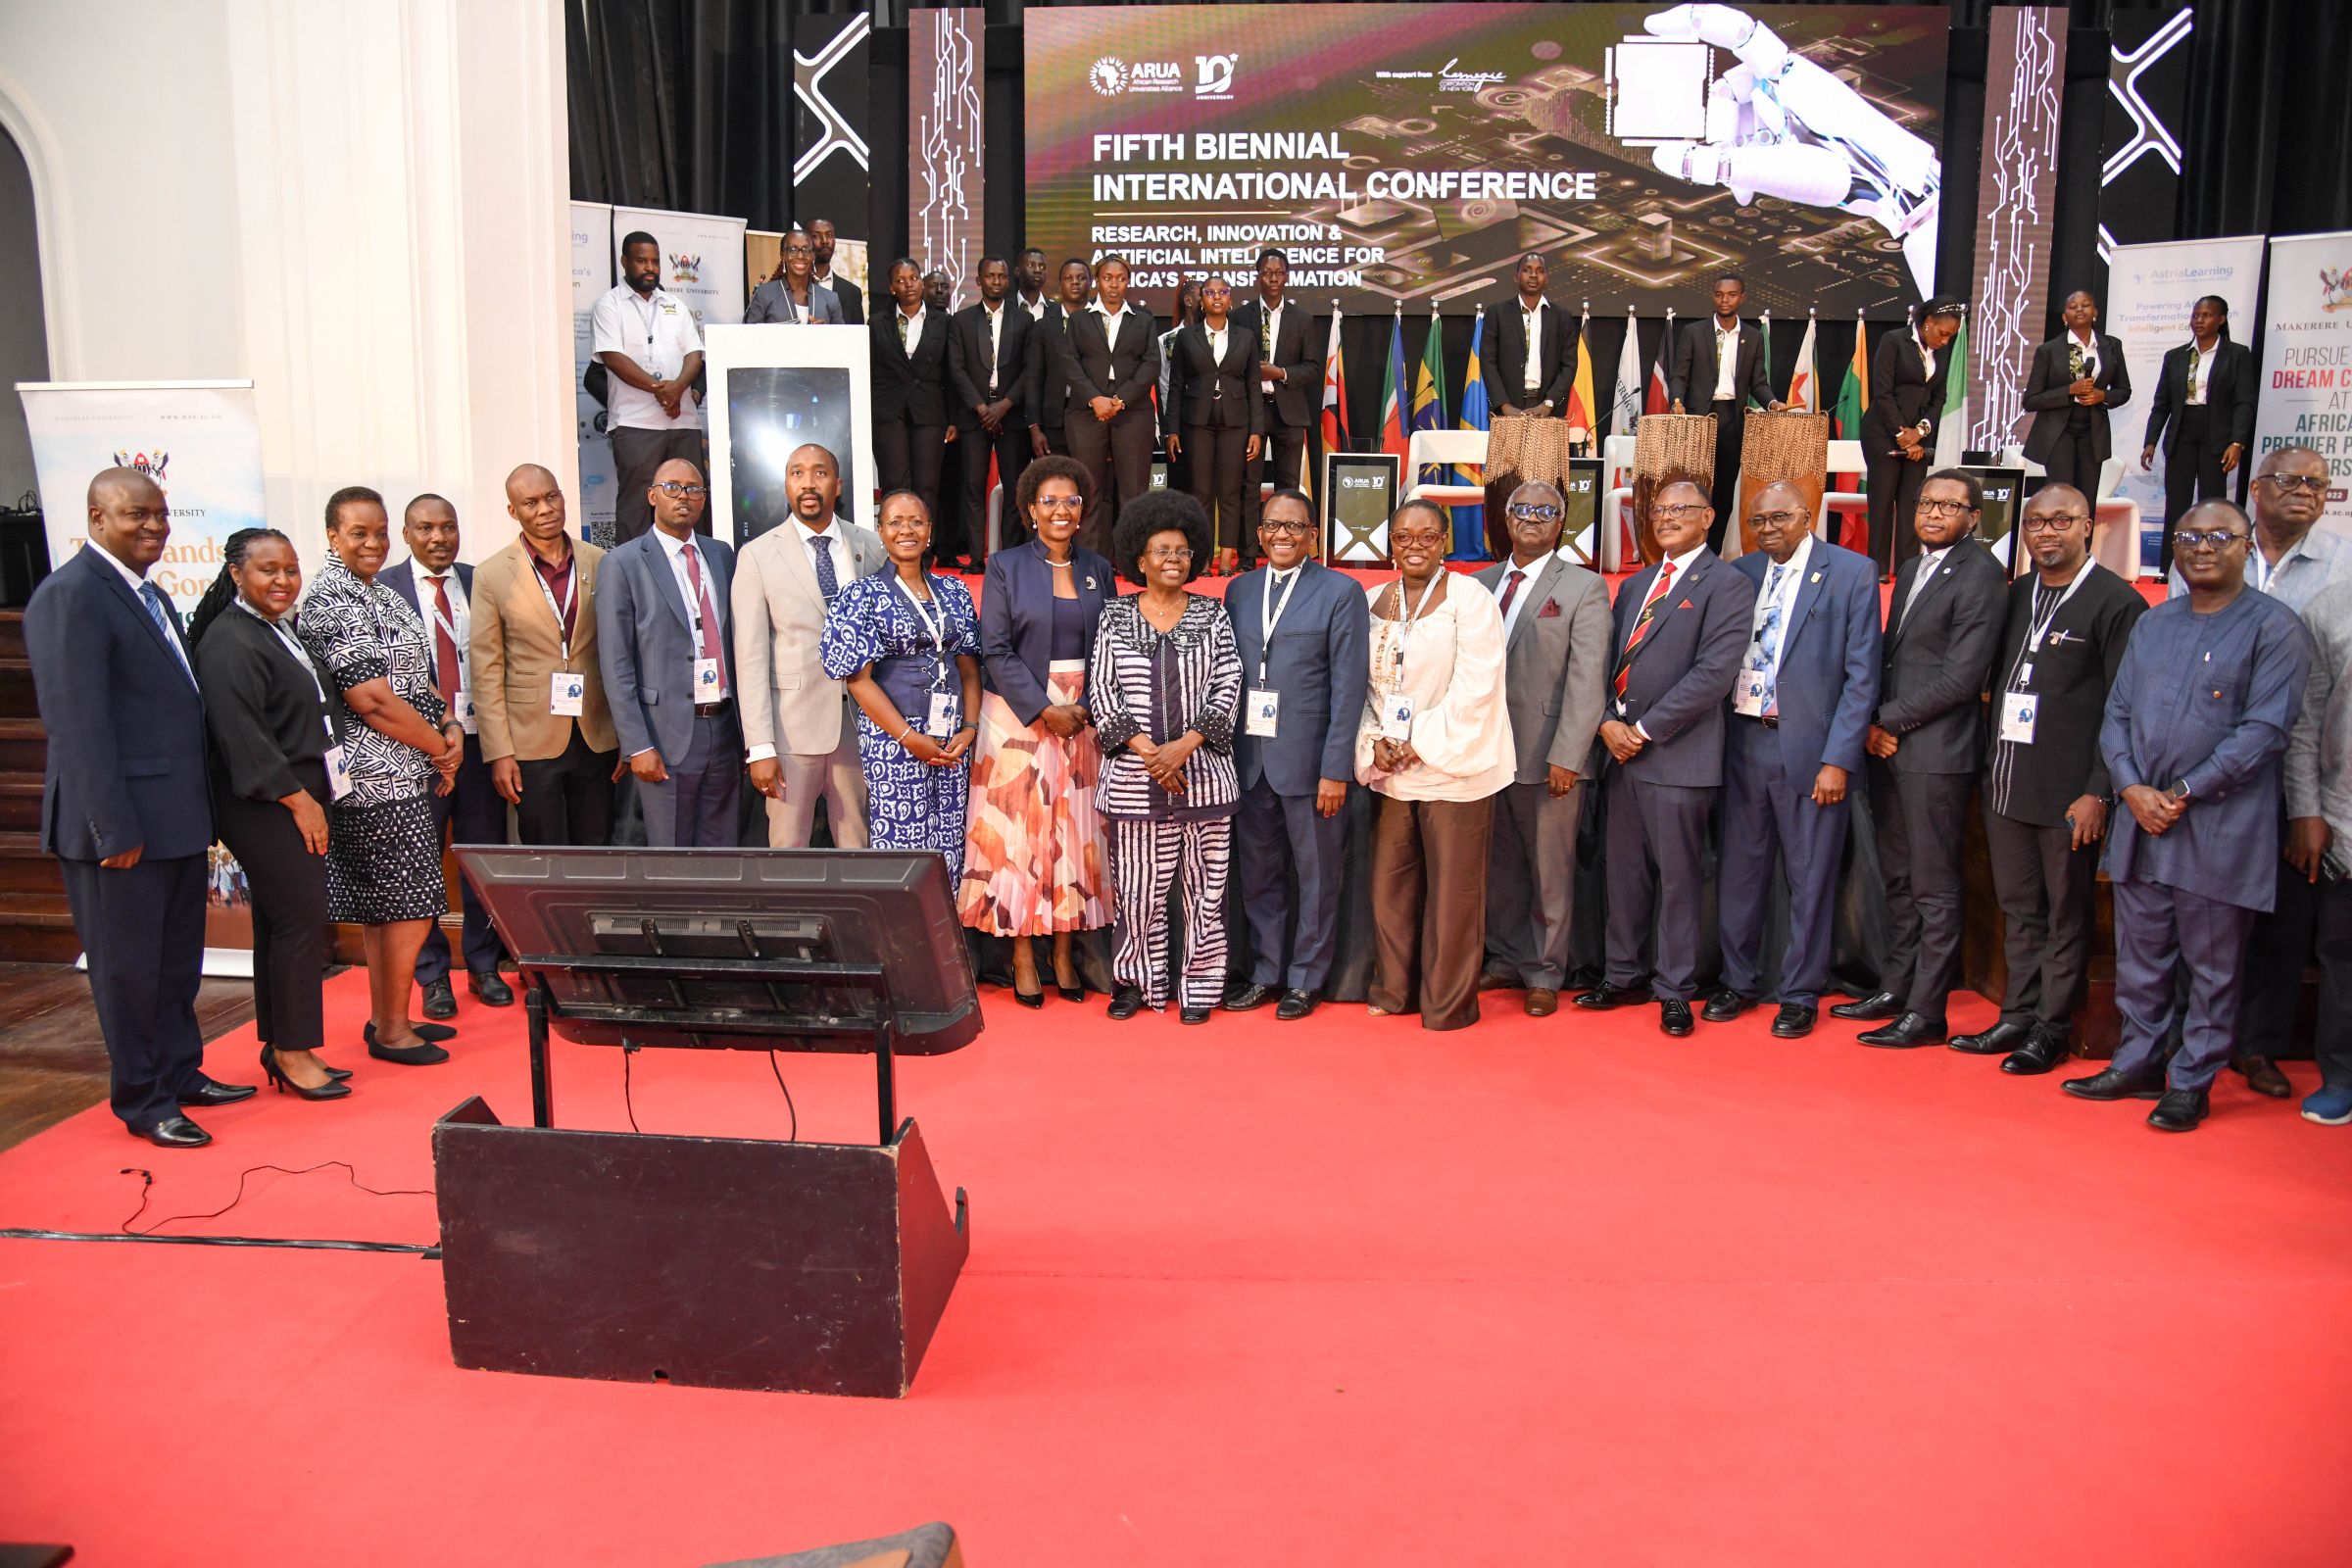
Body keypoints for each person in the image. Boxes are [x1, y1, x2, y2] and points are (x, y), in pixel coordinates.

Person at [2065, 500, 2311, 1131]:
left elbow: (2264, 732)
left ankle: (2193, 1079)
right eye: (2189, 536)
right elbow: (2116, 714)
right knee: (2140, 958)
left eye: (2219, 537)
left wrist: (2180, 793)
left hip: (2217, 829)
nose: (2203, 547)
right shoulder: (2154, 623)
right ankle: (2138, 1061)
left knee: (2212, 967)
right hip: (2143, 824)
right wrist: (2130, 788)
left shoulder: (2274, 627)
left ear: (2245, 543)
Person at [24, 468, 251, 1147]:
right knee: (129, 972)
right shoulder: (70, 597)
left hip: (175, 818)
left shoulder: (146, 594)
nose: (154, 526)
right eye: (135, 516)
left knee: (177, 961)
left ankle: (182, 1074)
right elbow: (78, 727)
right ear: (96, 517)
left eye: (159, 514)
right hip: (118, 826)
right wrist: (109, 828)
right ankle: (145, 1100)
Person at [2167, 444, 2346, 1098]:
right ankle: (2188, 1036)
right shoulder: (2212, 543)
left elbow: (2319, 698)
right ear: (2258, 488)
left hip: (2286, 766)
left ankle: (2260, 1044)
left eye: (2318, 485)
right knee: (2197, 911)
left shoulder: (2341, 566)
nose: (2306, 493)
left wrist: (2307, 806)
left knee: (2281, 914)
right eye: (2292, 481)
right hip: (2204, 769)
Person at [1949, 484, 2146, 1072]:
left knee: (2066, 913)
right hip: (2007, 784)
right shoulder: (2017, 595)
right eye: (2035, 522)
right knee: (2019, 906)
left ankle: (2052, 1027)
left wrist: (2098, 791)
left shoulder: (2118, 604)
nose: (2046, 532)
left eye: (2061, 520)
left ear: (2089, 526)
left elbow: (2124, 707)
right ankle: (2018, 1012)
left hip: (2070, 794)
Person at [1836, 470, 2008, 1047]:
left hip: (1937, 755)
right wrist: (1875, 724)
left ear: (1974, 518)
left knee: (1934, 887)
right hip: (1892, 750)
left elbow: (1962, 678)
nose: (1934, 514)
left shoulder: (1982, 575)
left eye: (1949, 506)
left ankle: (1928, 1011)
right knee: (1900, 878)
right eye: (1926, 502)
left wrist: (1884, 720)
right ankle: (1897, 985)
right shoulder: (1911, 567)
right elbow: (1892, 659)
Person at [1576, 480, 1754, 1036]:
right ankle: (1622, 972)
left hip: (1678, 755)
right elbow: (1604, 664)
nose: (1667, 518)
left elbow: (1714, 674)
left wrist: (1644, 730)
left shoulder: (1728, 584)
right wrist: (1607, 721)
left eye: (1681, 509)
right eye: (1659, 510)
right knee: (1623, 873)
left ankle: (1674, 988)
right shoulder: (1634, 585)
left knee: (1678, 879)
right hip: (1620, 755)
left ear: (1709, 517)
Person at [299, 487, 467, 1068]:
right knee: (408, 906)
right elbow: (369, 699)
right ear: (331, 536)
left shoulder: (385, 597)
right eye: (357, 534)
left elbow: (417, 682)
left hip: (409, 769)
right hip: (371, 780)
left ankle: (388, 1018)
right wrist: (440, 751)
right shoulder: (329, 600)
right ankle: (394, 1032)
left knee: (392, 905)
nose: (372, 544)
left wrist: (448, 723)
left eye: (378, 533)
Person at [1707, 481, 1880, 1038]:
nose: (1769, 529)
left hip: (1809, 749)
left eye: (1781, 517)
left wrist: (1839, 760)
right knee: (1740, 871)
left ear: (1809, 515)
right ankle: (1738, 981)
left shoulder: (1852, 572)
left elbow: (1862, 679)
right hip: (1742, 741)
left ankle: (1800, 993)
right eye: (1759, 521)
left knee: (1810, 877)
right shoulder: (1743, 573)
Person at [187, 528, 350, 1101]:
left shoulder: (274, 629)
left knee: (279, 924)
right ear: (236, 574)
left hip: (296, 793)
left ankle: (282, 1041)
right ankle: (293, 1051)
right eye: (267, 571)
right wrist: (300, 801)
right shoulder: (230, 642)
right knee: (300, 925)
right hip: (270, 803)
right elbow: (244, 740)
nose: (282, 581)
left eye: (290, 569)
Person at [961, 456, 1117, 1004]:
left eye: (1070, 501)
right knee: (1021, 839)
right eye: (1049, 500)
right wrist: (1043, 708)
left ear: (1082, 509)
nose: (1060, 509)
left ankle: (1063, 953)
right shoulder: (1004, 567)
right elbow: (994, 649)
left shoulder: (1099, 566)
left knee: (1074, 837)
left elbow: (1112, 649)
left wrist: (1086, 708)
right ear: (1030, 509)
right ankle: (1024, 955)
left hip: (1083, 720)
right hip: (1018, 718)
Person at [1354, 500, 1514, 1030]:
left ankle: (1448, 1005)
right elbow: (1369, 689)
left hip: (1454, 766)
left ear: (1445, 540)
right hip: (1394, 770)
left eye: (1426, 536)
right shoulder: (1376, 599)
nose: (1414, 545)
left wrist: (1418, 743)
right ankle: (1394, 991)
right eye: (1403, 536)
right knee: (1390, 889)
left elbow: (1477, 687)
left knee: (1453, 896)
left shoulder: (1471, 598)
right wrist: (1377, 740)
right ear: (1390, 543)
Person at [1091, 492, 1244, 1022]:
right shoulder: (1113, 617)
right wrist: (1151, 755)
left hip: (1205, 777)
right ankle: (1136, 984)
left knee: (1207, 893)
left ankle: (1200, 989)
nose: (1173, 560)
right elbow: (1102, 693)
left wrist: (1184, 746)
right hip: (1134, 779)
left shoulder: (1213, 615)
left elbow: (1228, 684)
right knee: (1137, 891)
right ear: (1140, 559)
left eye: (1182, 551)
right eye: (1162, 551)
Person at [1223, 489, 1368, 1021]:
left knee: (1317, 875)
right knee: (1259, 876)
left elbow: (1348, 687)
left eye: (1294, 527)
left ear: (1313, 534)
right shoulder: (1239, 590)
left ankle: (1306, 979)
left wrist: (1335, 770)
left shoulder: (1340, 591)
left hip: (1310, 767)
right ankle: (1266, 972)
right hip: (1250, 761)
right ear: (1259, 534)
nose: (1282, 536)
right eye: (1272, 526)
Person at [1473, 482, 1609, 1015]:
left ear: (1562, 522)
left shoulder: (1583, 587)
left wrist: (1568, 756)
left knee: (1549, 871)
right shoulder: (1478, 585)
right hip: (1486, 756)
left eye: (1546, 511)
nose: (1533, 518)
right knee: (1501, 866)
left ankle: (1546, 970)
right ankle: (1506, 958)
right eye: (1522, 510)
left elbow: (1587, 679)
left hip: (1549, 758)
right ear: (1506, 519)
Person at [381, 494, 511, 1018]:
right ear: (407, 534)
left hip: (481, 745)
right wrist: (432, 736)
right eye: (426, 528)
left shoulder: (482, 581)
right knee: (422, 866)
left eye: (448, 527)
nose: (439, 537)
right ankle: (432, 976)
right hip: (417, 751)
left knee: (481, 858)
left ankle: (483, 965)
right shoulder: (382, 590)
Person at [732, 442, 890, 847]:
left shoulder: (871, 547)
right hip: (790, 732)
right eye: (797, 473)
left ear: (837, 485)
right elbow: (749, 660)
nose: (808, 483)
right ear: (785, 486)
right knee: (788, 852)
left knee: (859, 845)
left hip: (861, 725)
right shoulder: (757, 556)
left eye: (819, 473)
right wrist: (760, 747)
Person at [819, 490, 982, 874]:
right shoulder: (860, 595)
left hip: (952, 742)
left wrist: (971, 727)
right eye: (895, 522)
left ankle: (946, 932)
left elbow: (969, 667)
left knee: (951, 845)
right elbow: (858, 682)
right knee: (905, 852)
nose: (906, 530)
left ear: (930, 531)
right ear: (880, 531)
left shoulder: (955, 591)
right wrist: (910, 738)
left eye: (916, 522)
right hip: (894, 742)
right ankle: (905, 935)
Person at [471, 464, 620, 846]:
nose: (545, 509)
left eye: (551, 497)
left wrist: (625, 737)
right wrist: (499, 753)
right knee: (545, 851)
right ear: (513, 511)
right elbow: (486, 671)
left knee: (597, 848)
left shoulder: (600, 562)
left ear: (563, 497)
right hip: (530, 742)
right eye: (531, 502)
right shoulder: (491, 575)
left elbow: (617, 654)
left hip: (595, 734)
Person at [598, 461, 742, 847]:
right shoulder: (623, 563)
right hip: (665, 734)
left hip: (725, 726)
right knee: (673, 853)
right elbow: (616, 664)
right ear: (651, 495)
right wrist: (637, 745)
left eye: (694, 489)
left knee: (723, 847)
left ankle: (717, 911)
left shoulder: (721, 555)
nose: (684, 497)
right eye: (673, 487)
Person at [2286, 571, 2352, 1125]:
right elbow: (2306, 722)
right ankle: (2341, 1076)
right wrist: (2307, 810)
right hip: (2345, 821)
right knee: (2342, 960)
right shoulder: (2335, 603)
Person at [593, 229, 706, 544]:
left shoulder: (675, 305)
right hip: (635, 424)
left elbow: (695, 355)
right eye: (642, 261)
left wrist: (678, 388)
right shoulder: (609, 306)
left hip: (682, 421)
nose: (650, 268)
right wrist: (661, 390)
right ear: (625, 262)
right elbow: (613, 358)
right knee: (636, 509)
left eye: (655, 261)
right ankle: (632, 582)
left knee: (691, 503)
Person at [1669, 272, 1787, 549]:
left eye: (1731, 295)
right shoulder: (1693, 332)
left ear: (1742, 298)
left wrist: (1773, 403)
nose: (1725, 300)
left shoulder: (1753, 337)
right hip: (1698, 420)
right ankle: (1687, 548)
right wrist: (1676, 400)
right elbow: (1679, 376)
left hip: (1732, 422)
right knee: (1695, 490)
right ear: (1713, 296)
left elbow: (1758, 383)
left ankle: (1712, 553)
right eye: (1720, 294)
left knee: (1722, 494)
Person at [2141, 295, 2258, 573]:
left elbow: (2244, 402)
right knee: (2177, 503)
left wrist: (2237, 442)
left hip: (2216, 434)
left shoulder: (2237, 354)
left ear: (2221, 319)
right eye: (2195, 315)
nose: (2199, 321)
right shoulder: (2176, 356)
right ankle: (2169, 569)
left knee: (2212, 503)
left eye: (2206, 315)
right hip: (2181, 431)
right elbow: (2162, 404)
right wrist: (2150, 441)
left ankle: (2213, 565)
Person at [1058, 253, 1161, 557]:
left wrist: (1120, 400)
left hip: (1133, 411)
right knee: (1089, 489)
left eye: (1120, 278)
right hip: (1087, 412)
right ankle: (1091, 560)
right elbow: (1070, 362)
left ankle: (1132, 559)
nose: (1114, 284)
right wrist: (1095, 398)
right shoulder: (1078, 320)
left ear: (1128, 282)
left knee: (1134, 491)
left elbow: (1150, 364)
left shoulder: (1143, 319)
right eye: (1107, 278)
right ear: (1097, 281)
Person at [1165, 275, 1265, 575]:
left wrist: (1257, 430)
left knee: (1231, 491)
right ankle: (1204, 558)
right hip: (1197, 422)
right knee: (1202, 492)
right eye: (1210, 292)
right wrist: (1172, 429)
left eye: (1223, 292)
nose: (1217, 297)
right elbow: (1176, 385)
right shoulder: (1187, 337)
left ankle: (1226, 560)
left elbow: (1254, 385)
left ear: (1230, 299)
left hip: (1237, 422)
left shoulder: (1245, 337)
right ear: (1202, 300)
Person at [1860, 297, 1966, 576]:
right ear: (1928, 323)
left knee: (1912, 504)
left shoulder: (1940, 352)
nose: (1945, 341)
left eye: (1951, 337)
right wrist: (1902, 435)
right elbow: (1882, 393)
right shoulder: (1893, 341)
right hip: (1882, 432)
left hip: (1919, 439)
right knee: (1882, 502)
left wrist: (1919, 433)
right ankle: (1878, 569)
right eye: (1943, 334)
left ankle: (1907, 570)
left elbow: (1939, 397)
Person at [947, 254, 1037, 568]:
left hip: (1011, 414)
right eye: (990, 276)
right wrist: (982, 407)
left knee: (1015, 487)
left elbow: (1029, 369)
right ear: (978, 280)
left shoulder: (1024, 320)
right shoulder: (961, 320)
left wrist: (1004, 405)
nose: (996, 281)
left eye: (1001, 276)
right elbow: (956, 369)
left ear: (1008, 280)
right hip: (974, 415)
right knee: (973, 486)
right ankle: (975, 558)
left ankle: (1010, 558)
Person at [1232, 249, 1317, 548]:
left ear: (1287, 276)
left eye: (1279, 273)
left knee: (1288, 487)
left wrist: (1279, 372)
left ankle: (1287, 546)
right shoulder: (1239, 316)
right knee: (1248, 484)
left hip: (1289, 413)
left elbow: (1312, 368)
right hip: (1250, 412)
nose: (1273, 279)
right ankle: (1248, 550)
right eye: (1267, 273)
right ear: (1257, 276)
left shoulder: (1302, 319)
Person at [2021, 290, 2131, 496]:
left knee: (2086, 498)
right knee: (2062, 496)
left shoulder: (2111, 346)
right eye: (2073, 306)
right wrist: (2070, 391)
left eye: (2085, 304)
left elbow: (2124, 390)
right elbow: (2030, 401)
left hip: (2093, 430)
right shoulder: (2048, 350)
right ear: (2064, 317)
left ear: (2095, 312)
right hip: (2058, 431)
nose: (2079, 309)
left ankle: (2085, 530)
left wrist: (2103, 396)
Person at [871, 258, 952, 528]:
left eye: (914, 278)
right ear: (891, 287)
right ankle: (893, 542)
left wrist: (953, 419)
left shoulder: (943, 322)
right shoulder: (876, 322)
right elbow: (871, 370)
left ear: (922, 282)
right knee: (894, 483)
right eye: (901, 280)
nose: (908, 285)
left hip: (930, 411)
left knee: (927, 485)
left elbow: (950, 372)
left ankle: (925, 548)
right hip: (888, 412)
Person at [1480, 252, 1574, 421]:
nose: (1533, 275)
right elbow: (1488, 362)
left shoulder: (1562, 317)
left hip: (1548, 410)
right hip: (1507, 409)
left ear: (1547, 278)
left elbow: (1569, 366)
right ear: (1516, 277)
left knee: (1546, 450)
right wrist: (1504, 405)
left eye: (1539, 270)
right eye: (1527, 270)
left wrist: (1548, 404)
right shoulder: (1497, 313)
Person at [1027, 258, 1094, 465]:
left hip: (1094, 419)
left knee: (1094, 487)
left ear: (1091, 283)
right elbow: (1034, 379)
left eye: (1081, 278)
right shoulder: (1043, 326)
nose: (1075, 282)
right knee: (1058, 485)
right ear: (1060, 284)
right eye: (1069, 278)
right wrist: (1035, 428)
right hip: (1055, 420)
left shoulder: (1103, 321)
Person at [745, 227, 845, 324]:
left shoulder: (831, 298)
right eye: (793, 250)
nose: (800, 256)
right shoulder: (764, 294)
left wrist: (826, 332)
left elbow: (842, 338)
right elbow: (750, 337)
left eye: (806, 249)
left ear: (813, 255)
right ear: (783, 255)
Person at [808, 219, 863, 323]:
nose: (825, 241)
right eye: (816, 236)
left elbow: (857, 337)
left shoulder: (852, 293)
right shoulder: (795, 287)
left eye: (829, 235)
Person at [1012, 247, 1051, 321]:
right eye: (1031, 265)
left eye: (1042, 266)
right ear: (1017, 271)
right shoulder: (1005, 308)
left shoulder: (1057, 311)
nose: (1037, 270)